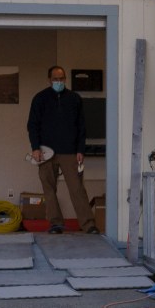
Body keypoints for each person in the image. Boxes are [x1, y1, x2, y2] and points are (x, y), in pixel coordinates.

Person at [26, 65, 96, 234]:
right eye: (56, 79)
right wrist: (35, 148)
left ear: (65, 79)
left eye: (62, 78)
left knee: (77, 189)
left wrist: (80, 149)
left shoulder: (74, 99)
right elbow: (32, 125)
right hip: (45, 152)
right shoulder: (40, 99)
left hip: (70, 151)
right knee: (49, 190)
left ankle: (88, 224)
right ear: (49, 80)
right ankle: (55, 224)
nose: (59, 81)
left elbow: (81, 126)